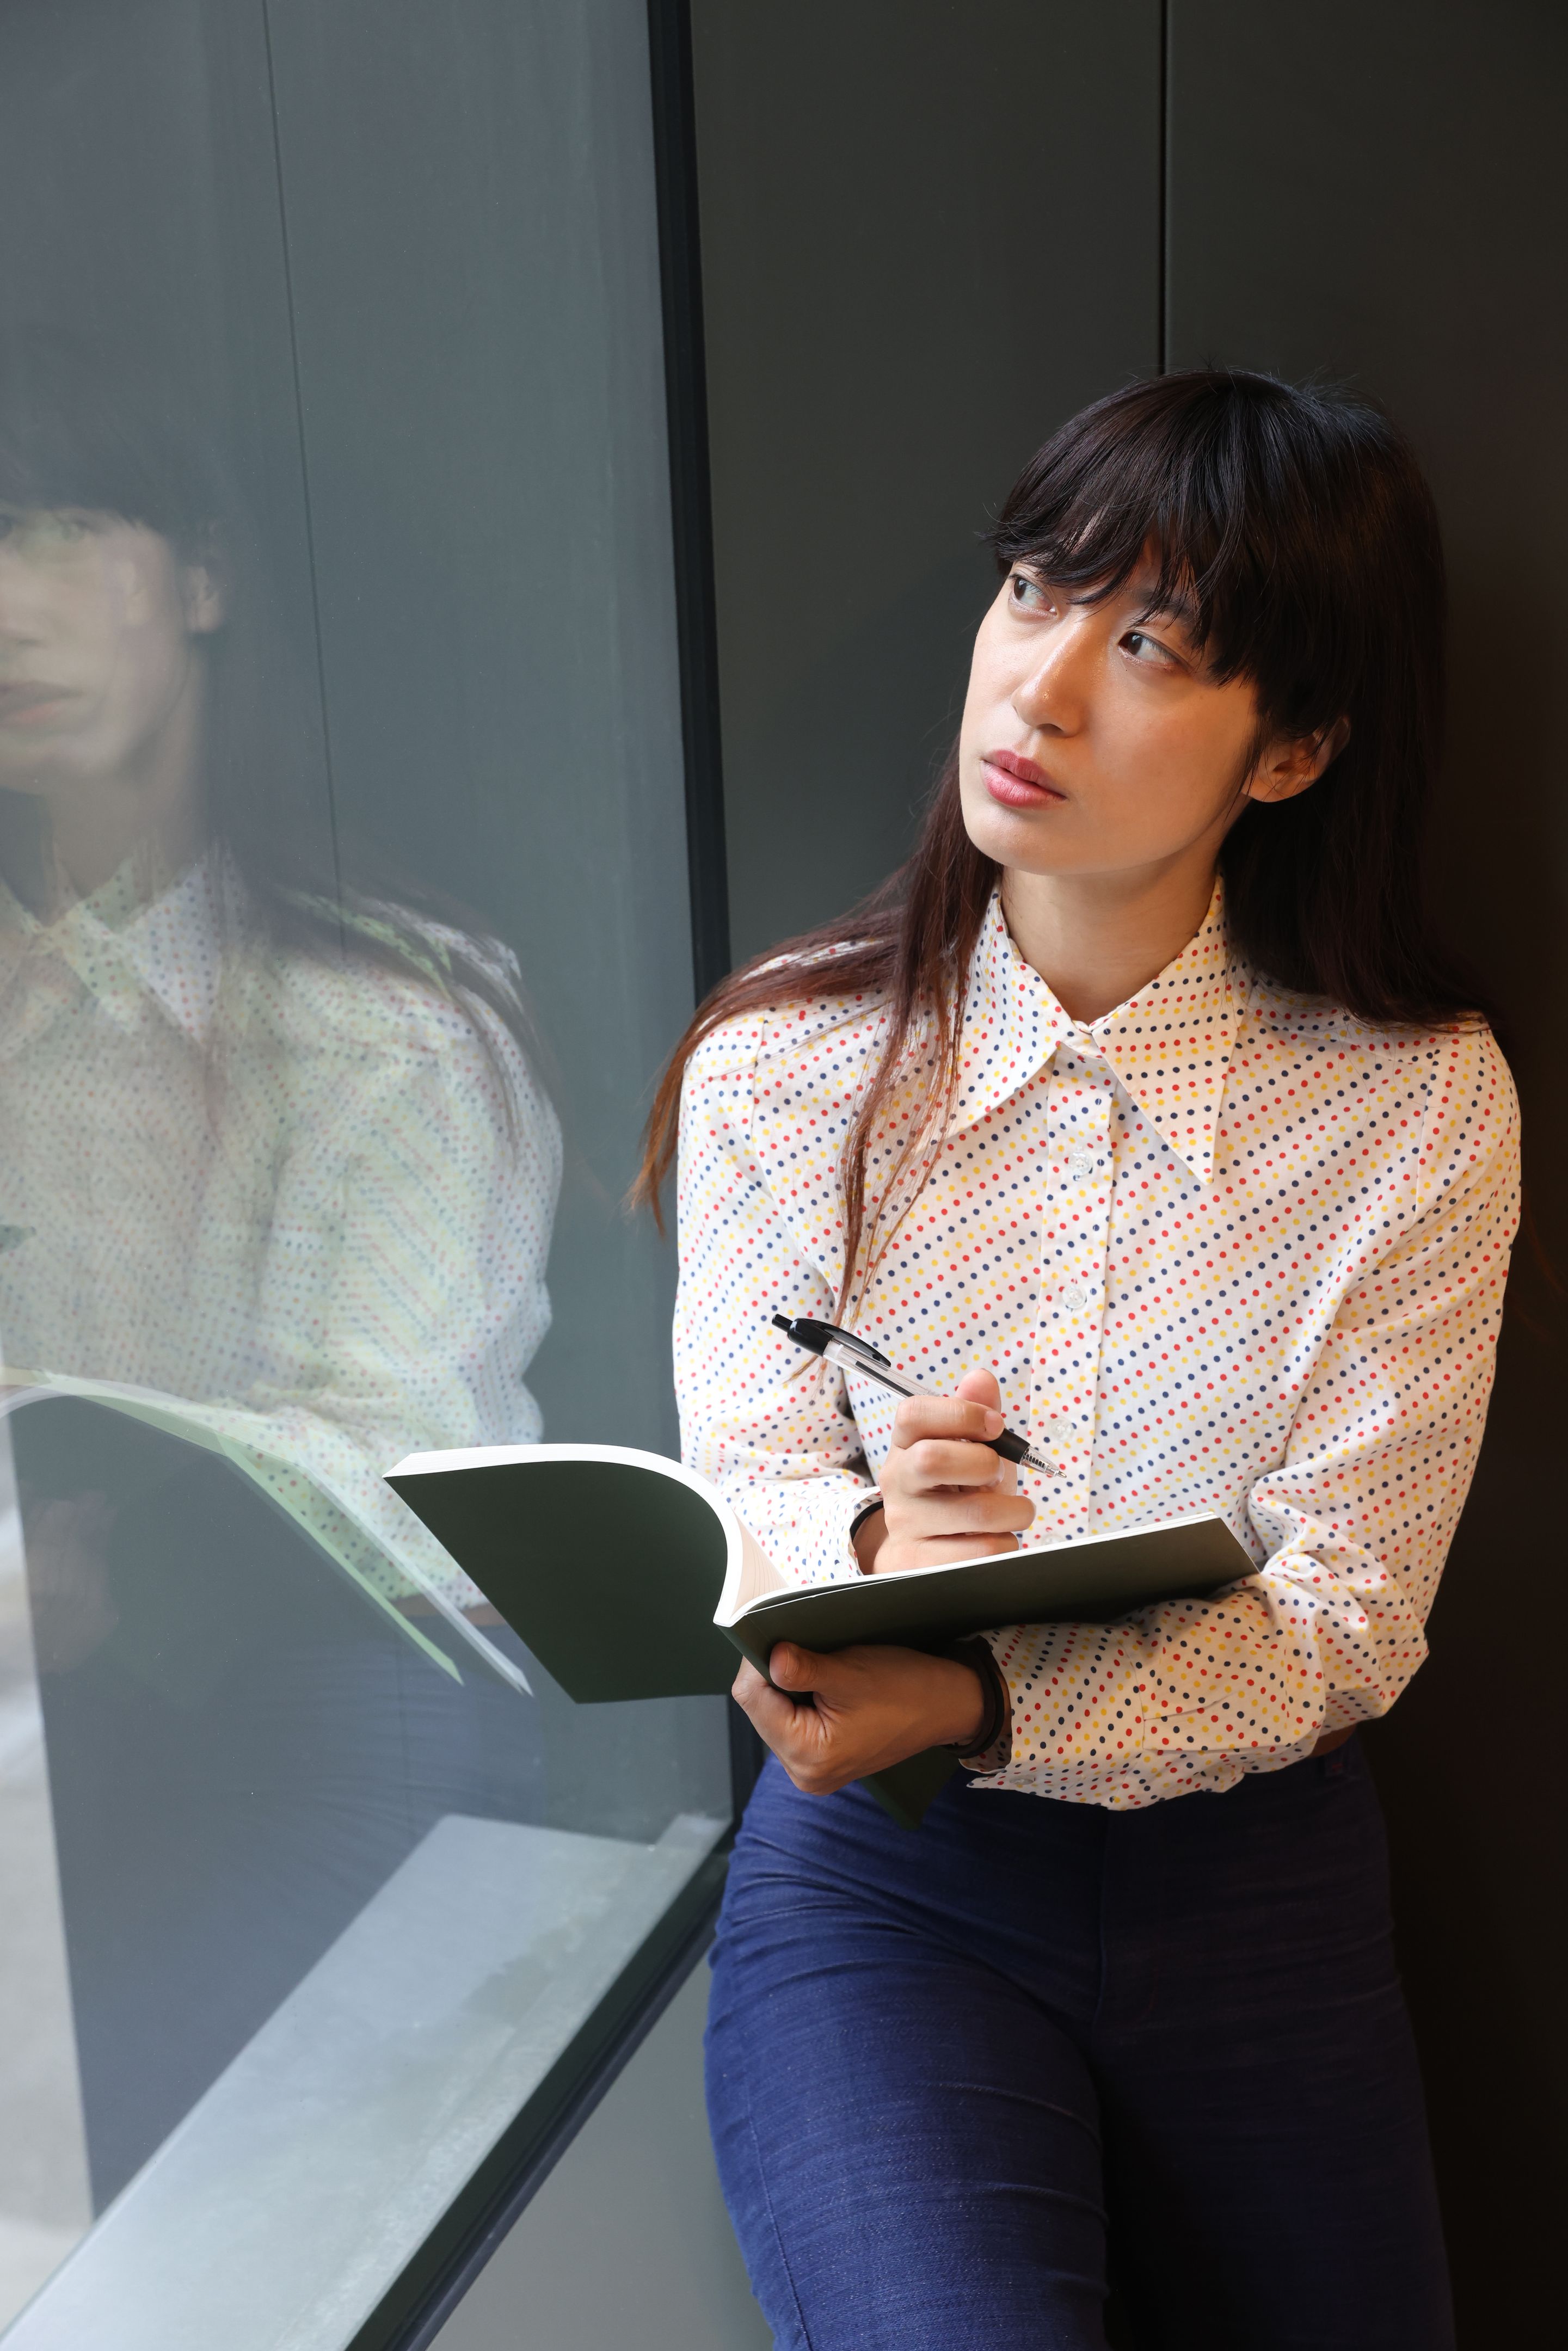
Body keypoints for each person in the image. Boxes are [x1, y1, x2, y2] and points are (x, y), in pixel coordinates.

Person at [639, 372, 1518, 2349]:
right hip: (887, 1886)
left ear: (1287, 751)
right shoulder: (787, 1058)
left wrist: (974, 1693)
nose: (1036, 691)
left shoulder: (1417, 1105)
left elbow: (1348, 1614)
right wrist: (877, 1541)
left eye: (1148, 648)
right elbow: (744, 1485)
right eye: (1035, 591)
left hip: (1262, 1890)